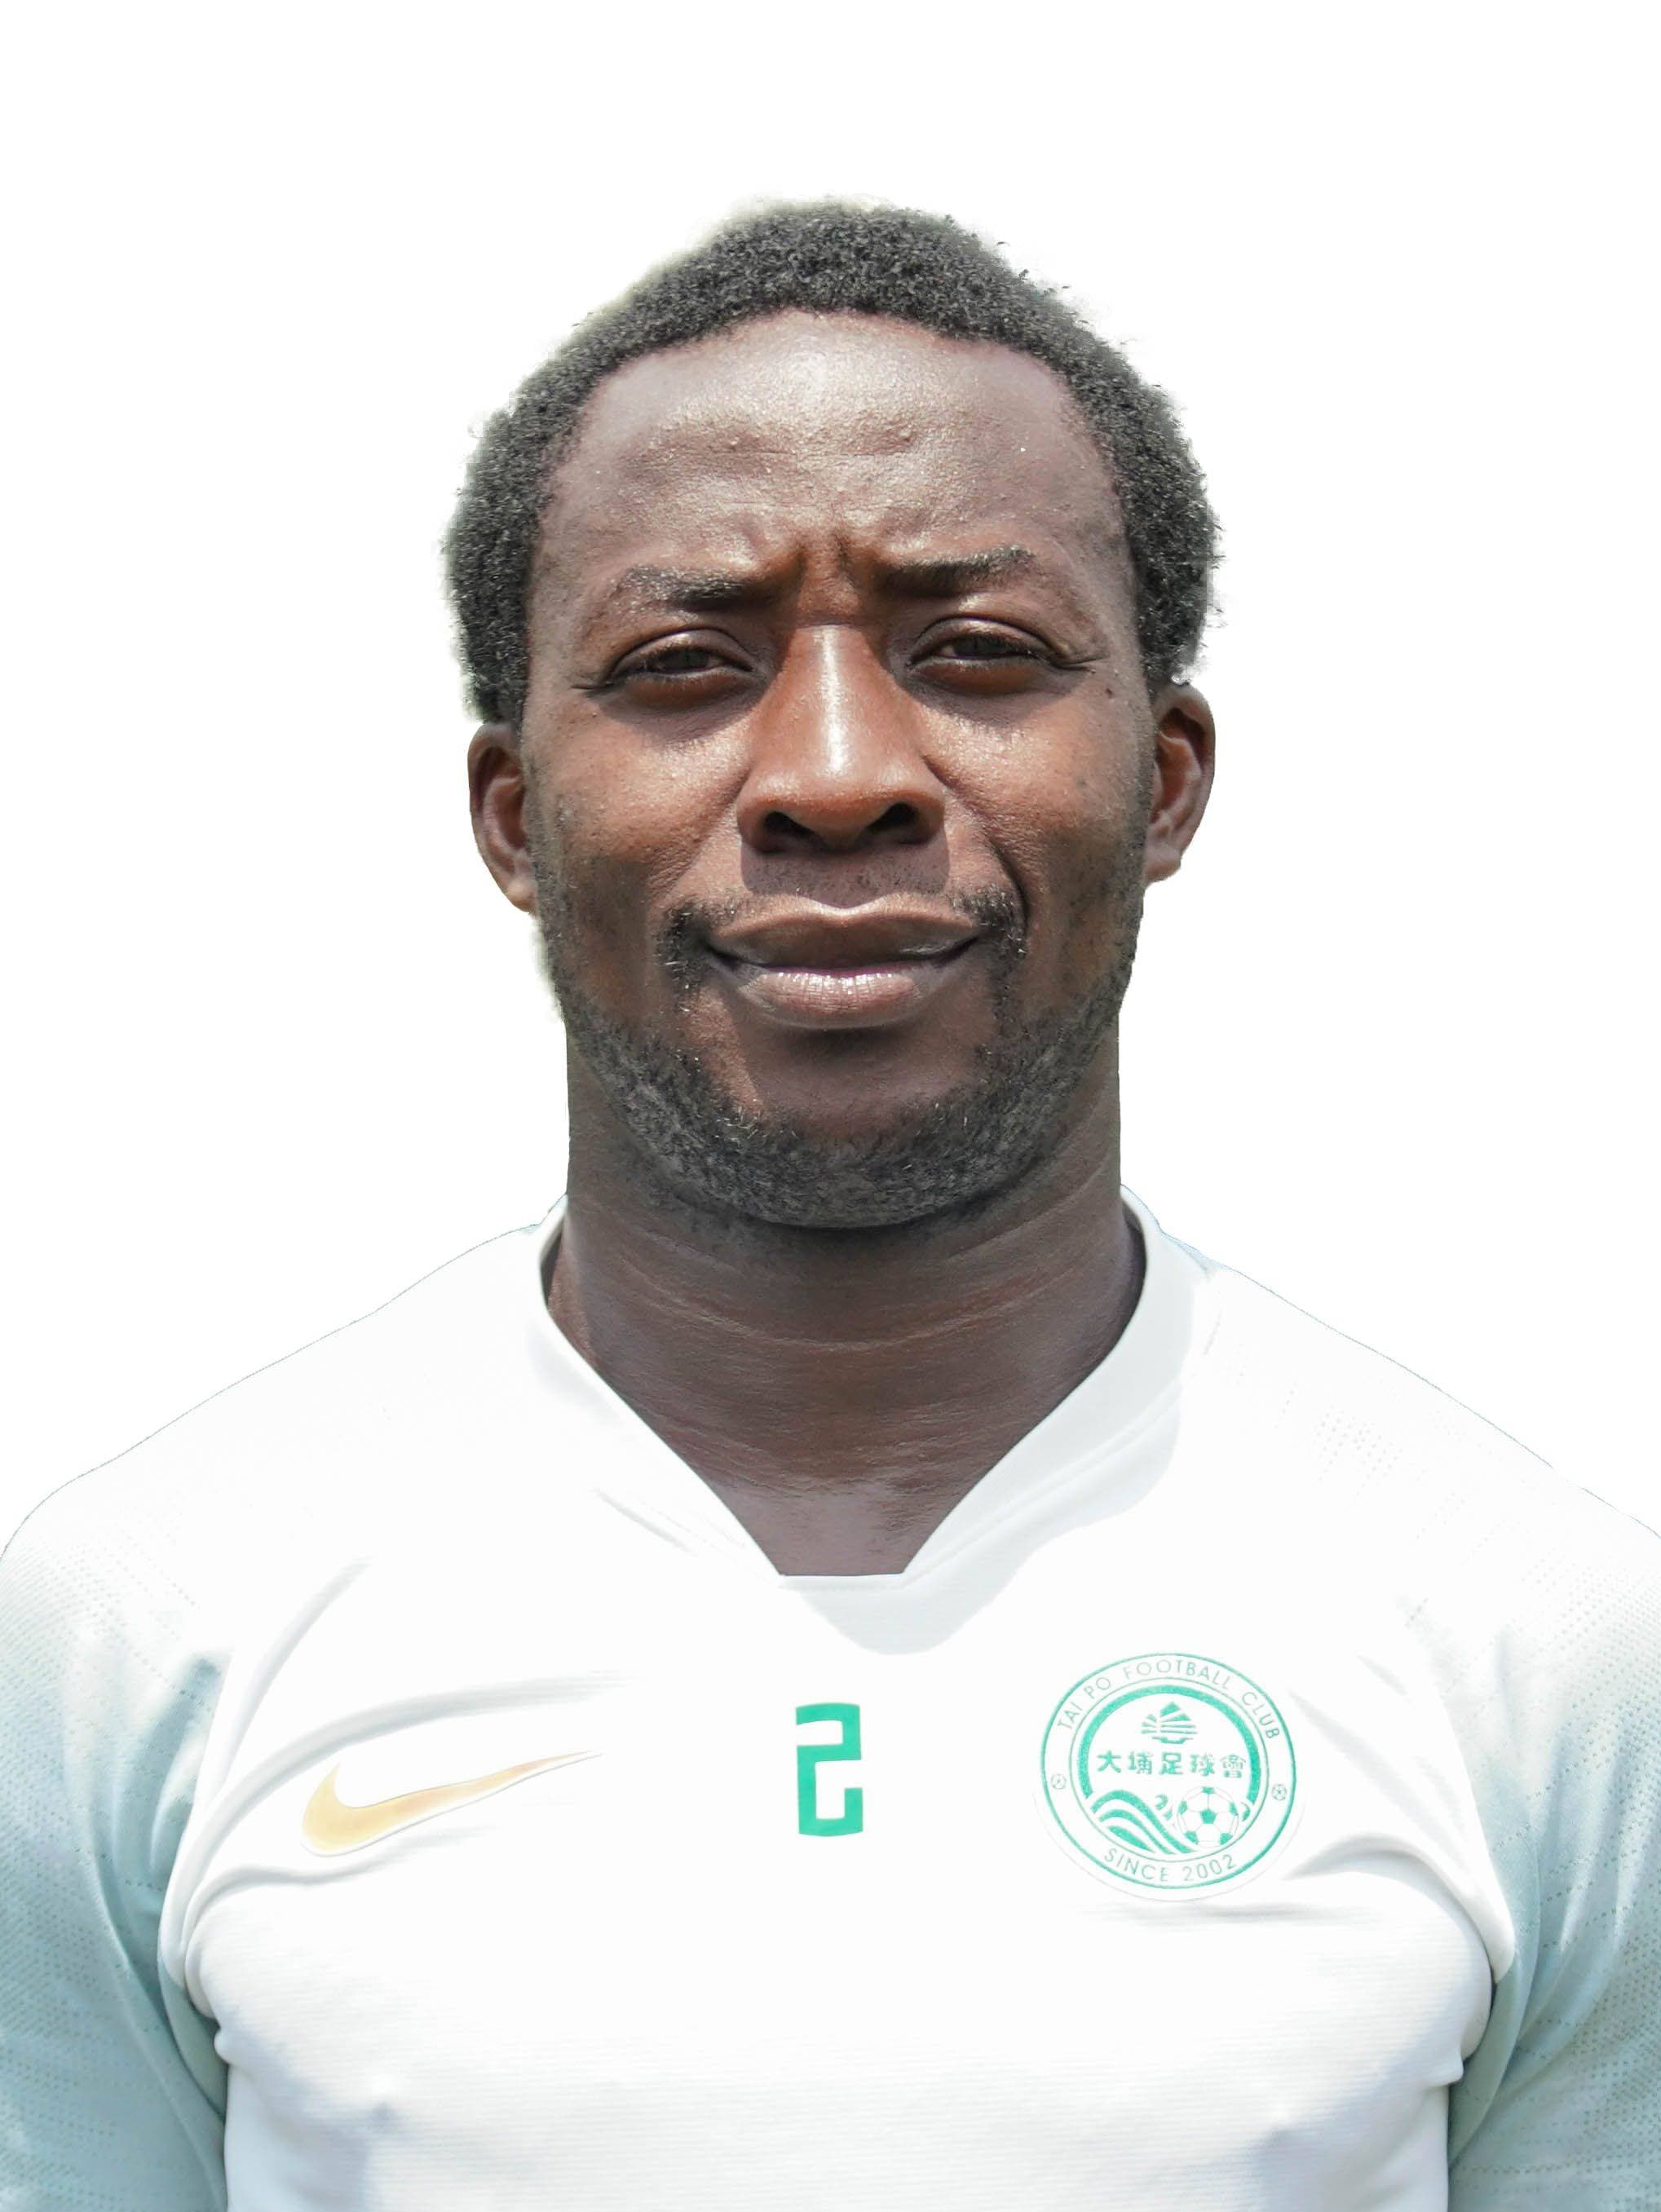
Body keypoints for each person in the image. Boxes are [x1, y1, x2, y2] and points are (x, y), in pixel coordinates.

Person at [2, 202, 1656, 2212]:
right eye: (683, 668)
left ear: (1163, 777)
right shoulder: (127, 1624)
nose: (838, 773)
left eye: (978, 655)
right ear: (515, 816)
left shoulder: (1547, 1643)